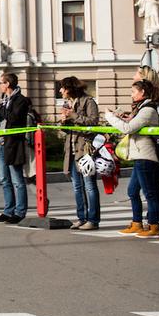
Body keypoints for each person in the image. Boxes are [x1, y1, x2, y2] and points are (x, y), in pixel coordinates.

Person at [107, 79, 159, 238]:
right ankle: (137, 223)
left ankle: (154, 226)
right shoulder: (142, 108)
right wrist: (125, 117)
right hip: (139, 155)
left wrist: (110, 117)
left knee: (149, 193)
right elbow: (132, 125)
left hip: (146, 156)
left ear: (142, 92)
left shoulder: (148, 109)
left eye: (133, 91)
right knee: (132, 191)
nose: (131, 95)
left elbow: (128, 128)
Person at [0, 72, 32, 224]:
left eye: (1, 83)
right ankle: (8, 210)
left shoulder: (21, 100)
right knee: (4, 179)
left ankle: (20, 212)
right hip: (1, 142)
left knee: (17, 180)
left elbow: (13, 118)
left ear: (7, 84)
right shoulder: (5, 100)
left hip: (13, 144)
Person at [58, 77, 100, 230]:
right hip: (71, 150)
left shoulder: (88, 101)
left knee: (89, 185)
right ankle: (81, 217)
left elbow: (93, 122)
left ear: (69, 88)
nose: (60, 91)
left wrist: (73, 116)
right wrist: (63, 122)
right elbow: (67, 130)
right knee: (77, 186)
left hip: (85, 150)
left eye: (62, 87)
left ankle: (93, 220)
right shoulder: (70, 104)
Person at [134, 66, 159, 232]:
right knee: (145, 188)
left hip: (152, 150)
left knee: (153, 188)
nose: (133, 76)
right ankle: (152, 220)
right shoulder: (143, 100)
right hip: (143, 150)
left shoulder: (154, 101)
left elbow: (155, 122)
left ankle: (158, 220)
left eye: (136, 73)